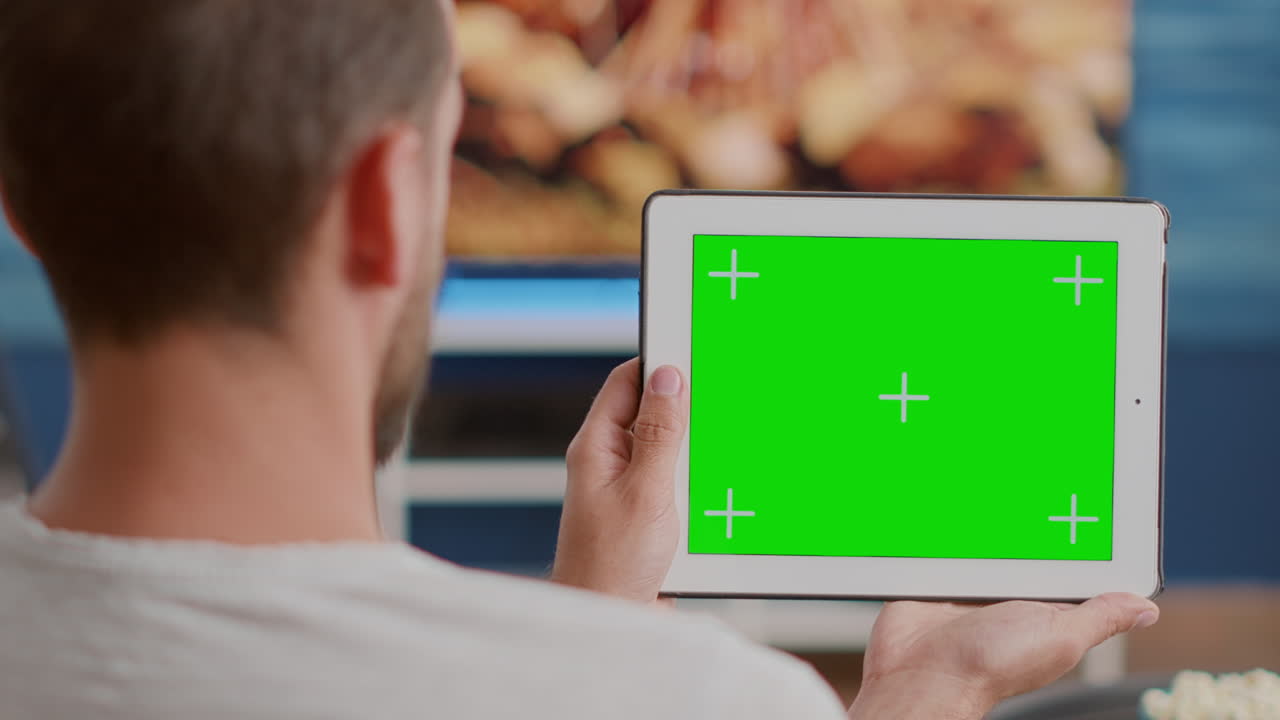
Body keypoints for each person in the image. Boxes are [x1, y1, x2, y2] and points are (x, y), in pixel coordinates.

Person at [0, 1, 1159, 718]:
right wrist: (925, 696)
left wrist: (595, 623)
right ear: (382, 204)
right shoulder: (718, 703)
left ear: (20, 208)